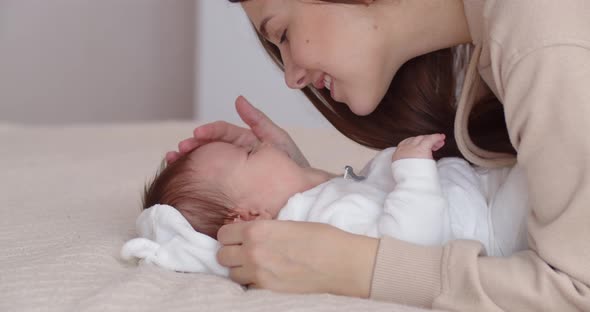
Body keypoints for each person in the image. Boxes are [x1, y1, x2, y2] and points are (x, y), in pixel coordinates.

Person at [166, 0, 590, 310]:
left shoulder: (541, 39)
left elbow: (576, 291)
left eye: (283, 34)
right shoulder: (494, 41)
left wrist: (357, 267)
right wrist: (304, 186)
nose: (292, 76)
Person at [142, 134, 526, 259]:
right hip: (490, 225)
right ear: (250, 215)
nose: (259, 142)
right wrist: (413, 170)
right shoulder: (321, 224)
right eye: (250, 153)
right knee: (560, 155)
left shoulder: (316, 201)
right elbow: (409, 248)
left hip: (484, 190)